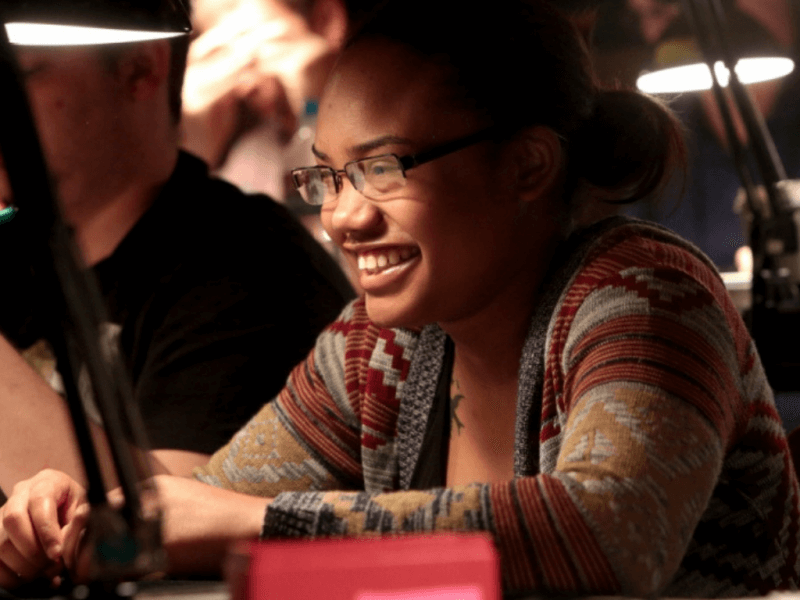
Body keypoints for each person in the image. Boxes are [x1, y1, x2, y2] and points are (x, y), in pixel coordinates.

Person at [2, 0, 799, 596]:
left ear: (527, 165)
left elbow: (613, 531)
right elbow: (194, 506)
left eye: (384, 167)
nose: (343, 217)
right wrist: (72, 520)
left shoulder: (644, 294)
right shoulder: (374, 349)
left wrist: (260, 525)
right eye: (329, 174)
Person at [0, 5, 353, 497]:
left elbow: (169, 529)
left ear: (141, 67)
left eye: (16, 72)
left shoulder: (256, 272)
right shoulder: (14, 250)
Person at [623, 0, 800, 272]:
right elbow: (634, 253)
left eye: (662, 9)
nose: (651, 32)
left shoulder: (790, 117)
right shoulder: (657, 136)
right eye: (641, 18)